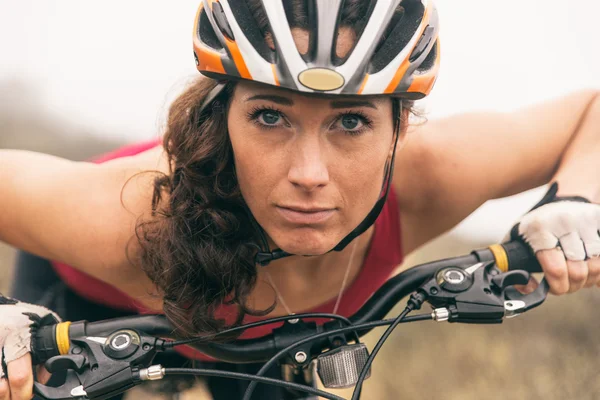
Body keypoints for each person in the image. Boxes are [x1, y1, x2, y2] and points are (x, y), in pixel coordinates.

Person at [1, 0, 599, 399]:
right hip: (85, 307)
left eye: (352, 124)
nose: (309, 174)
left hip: (266, 346)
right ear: (222, 116)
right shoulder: (133, 212)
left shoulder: (430, 175)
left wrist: (575, 199)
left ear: (400, 127)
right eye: (269, 116)